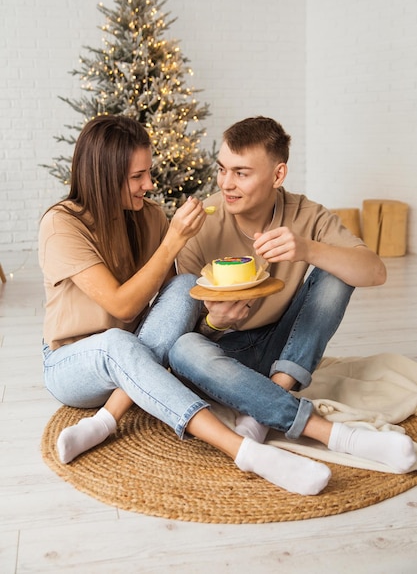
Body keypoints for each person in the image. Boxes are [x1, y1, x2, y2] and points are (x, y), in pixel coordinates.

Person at [38, 114, 335, 497]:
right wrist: (173, 241)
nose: (149, 185)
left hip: (141, 360)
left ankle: (106, 419)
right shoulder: (62, 224)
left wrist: (214, 321)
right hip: (76, 364)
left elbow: (170, 315)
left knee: (182, 286)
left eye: (148, 172)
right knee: (117, 341)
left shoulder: (149, 217)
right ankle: (243, 451)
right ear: (103, 176)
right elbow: (123, 306)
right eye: (136, 177)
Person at [170, 115, 416, 474]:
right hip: (226, 353)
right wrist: (213, 322)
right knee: (182, 350)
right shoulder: (203, 222)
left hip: (282, 351)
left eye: (241, 173)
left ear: (278, 175)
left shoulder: (307, 215)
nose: (226, 183)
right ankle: (338, 436)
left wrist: (308, 249)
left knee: (338, 271)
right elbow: (180, 323)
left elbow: (374, 271)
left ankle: (270, 398)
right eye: (222, 169)